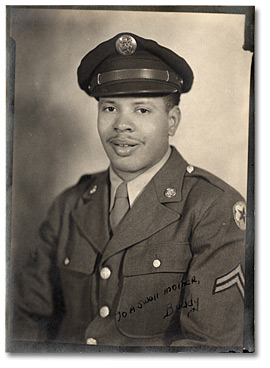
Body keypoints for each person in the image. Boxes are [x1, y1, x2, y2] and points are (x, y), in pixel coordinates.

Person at [12, 33, 246, 348]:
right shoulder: (68, 205)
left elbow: (208, 349)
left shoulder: (212, 208)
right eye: (109, 108)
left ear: (172, 121)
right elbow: (24, 325)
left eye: (142, 110)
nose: (122, 125)